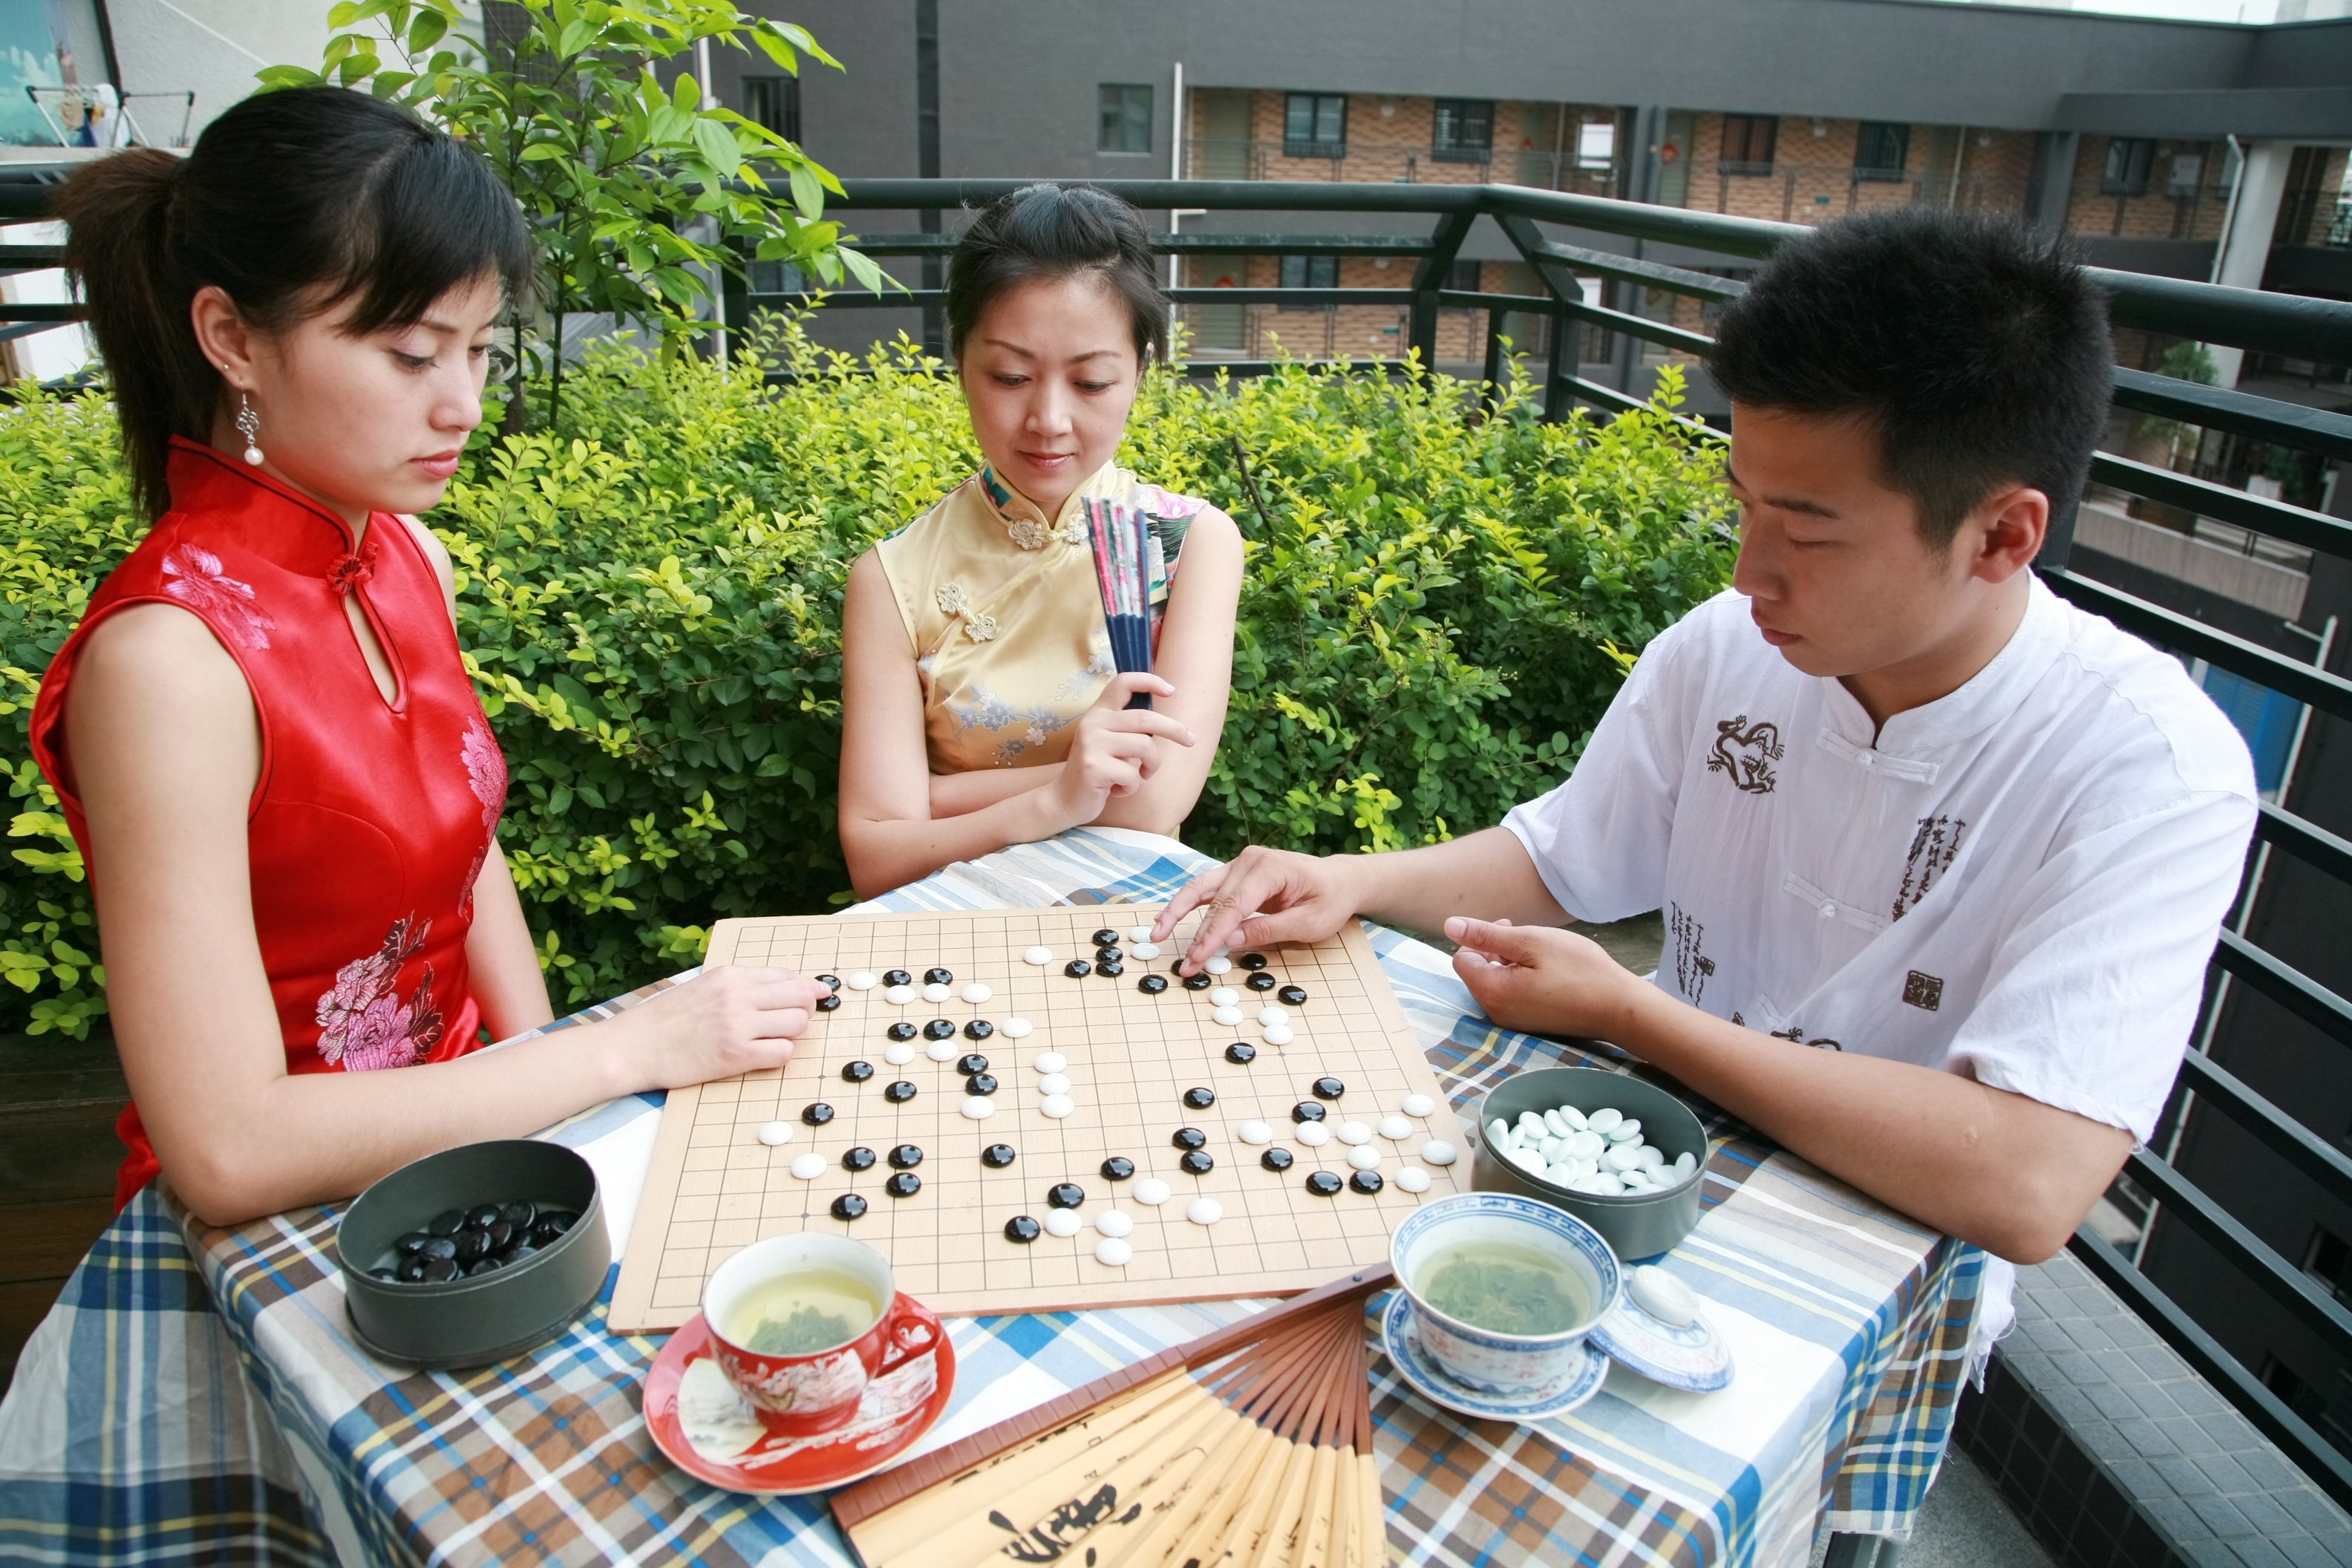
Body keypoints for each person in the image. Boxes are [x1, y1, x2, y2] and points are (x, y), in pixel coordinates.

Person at [1154, 208, 2256, 1343]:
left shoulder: (2150, 770)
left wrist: (1638, 1015)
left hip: (1869, 1281)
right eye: (1743, 504)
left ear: (2003, 537)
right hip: (1632, 1173)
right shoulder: (1730, 646)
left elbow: (2030, 1180)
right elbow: (1566, 857)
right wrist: (1356, 880)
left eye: (1810, 534)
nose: (1749, 571)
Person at [34, 88, 817, 1229]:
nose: (463, 405)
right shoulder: (169, 663)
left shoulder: (405, 560)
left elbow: (467, 853)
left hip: (471, 1144)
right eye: (410, 355)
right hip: (287, 1228)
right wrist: (612, 1055)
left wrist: (564, 1099)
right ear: (231, 339)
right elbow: (228, 1150)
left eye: (480, 351)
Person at [837, 184, 1244, 898]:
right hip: (946, 934)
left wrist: (929, 802)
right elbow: (875, 859)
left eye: (1090, 382)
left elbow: (1151, 805)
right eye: (1011, 376)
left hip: (1130, 927)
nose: (1049, 419)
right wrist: (1062, 795)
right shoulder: (892, 576)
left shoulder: (1190, 545)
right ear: (960, 362)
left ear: (1138, 374)